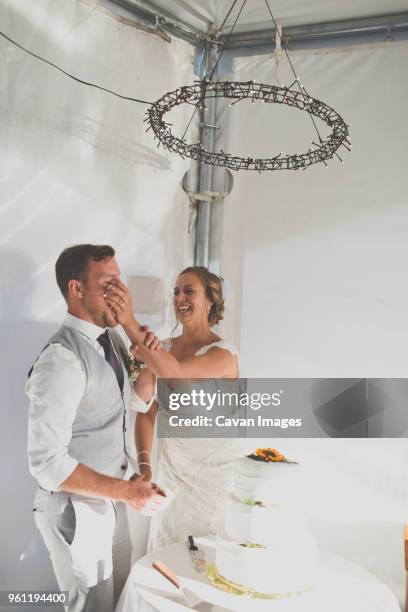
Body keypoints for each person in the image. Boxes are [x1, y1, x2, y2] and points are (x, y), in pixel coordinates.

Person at [26, 244, 166, 612]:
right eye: (108, 283)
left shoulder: (112, 339)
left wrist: (147, 361)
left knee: (119, 599)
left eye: (120, 281)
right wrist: (127, 492)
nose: (119, 293)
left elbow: (138, 401)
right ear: (77, 289)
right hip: (75, 510)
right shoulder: (61, 360)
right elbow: (47, 465)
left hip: (112, 502)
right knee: (93, 607)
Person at [103, 266, 243, 551]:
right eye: (177, 291)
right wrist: (144, 467)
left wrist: (129, 323)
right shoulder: (163, 347)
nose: (180, 297)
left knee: (209, 556)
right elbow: (146, 409)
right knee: (168, 553)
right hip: (174, 475)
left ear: (210, 302)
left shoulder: (225, 354)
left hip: (216, 479)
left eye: (189, 290)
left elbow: (178, 377)